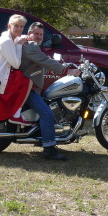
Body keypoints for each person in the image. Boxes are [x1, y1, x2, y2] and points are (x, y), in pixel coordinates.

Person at [20, 22, 81, 160]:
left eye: (41, 35)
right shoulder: (31, 47)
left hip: (31, 88)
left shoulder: (31, 47)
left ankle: (41, 137)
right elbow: (45, 61)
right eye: (36, 34)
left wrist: (63, 65)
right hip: (28, 90)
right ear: (29, 34)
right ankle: (48, 149)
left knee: (49, 105)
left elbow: (44, 63)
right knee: (47, 114)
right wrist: (67, 70)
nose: (39, 37)